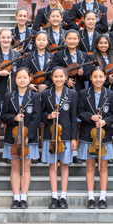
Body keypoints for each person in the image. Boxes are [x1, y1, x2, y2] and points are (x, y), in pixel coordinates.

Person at [1, 67, 41, 209]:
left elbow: (37, 117)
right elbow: (4, 115)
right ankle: (15, 197)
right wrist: (14, 118)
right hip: (12, 138)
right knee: (15, 167)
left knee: (26, 167)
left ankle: (24, 197)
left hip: (28, 139)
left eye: (25, 77)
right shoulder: (8, 96)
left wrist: (27, 136)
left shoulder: (35, 96)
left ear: (30, 78)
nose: (22, 80)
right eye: (19, 77)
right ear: (15, 79)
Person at [77, 67, 113, 209]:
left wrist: (105, 121)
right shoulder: (83, 93)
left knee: (103, 166)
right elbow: (79, 111)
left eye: (101, 77)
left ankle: (102, 197)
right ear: (91, 78)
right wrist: (90, 117)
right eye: (95, 77)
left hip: (104, 134)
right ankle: (91, 197)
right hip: (88, 133)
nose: (98, 79)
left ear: (105, 78)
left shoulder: (111, 94)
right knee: (89, 166)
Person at [40, 67, 78, 209]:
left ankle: (63, 196)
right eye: (56, 76)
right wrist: (48, 116)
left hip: (66, 134)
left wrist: (74, 138)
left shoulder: (72, 94)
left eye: (61, 76)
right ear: (51, 77)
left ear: (66, 77)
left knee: (64, 165)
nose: (59, 79)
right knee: (52, 165)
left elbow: (74, 117)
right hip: (51, 135)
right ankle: (54, 196)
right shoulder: (45, 94)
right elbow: (41, 114)